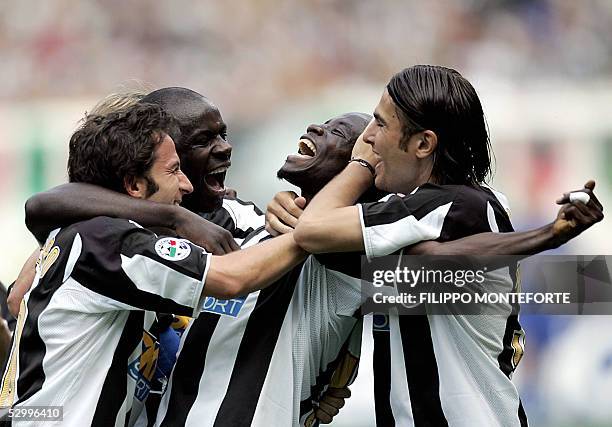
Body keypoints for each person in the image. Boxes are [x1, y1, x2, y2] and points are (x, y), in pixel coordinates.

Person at [25, 104, 603, 427]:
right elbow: (46, 205)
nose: (316, 131)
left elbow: (452, 275)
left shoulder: (342, 260)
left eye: (346, 136)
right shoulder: (232, 221)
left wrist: (547, 246)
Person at [291, 65, 604, 426]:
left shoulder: (453, 206)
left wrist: (361, 163)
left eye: (380, 125)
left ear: (423, 143)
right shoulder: (448, 213)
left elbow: (311, 230)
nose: (370, 137)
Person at [0, 103, 306, 426]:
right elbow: (234, 277)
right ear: (134, 185)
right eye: (174, 171)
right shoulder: (112, 241)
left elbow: (18, 298)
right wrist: (309, 231)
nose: (186, 185)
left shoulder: (83, 232)